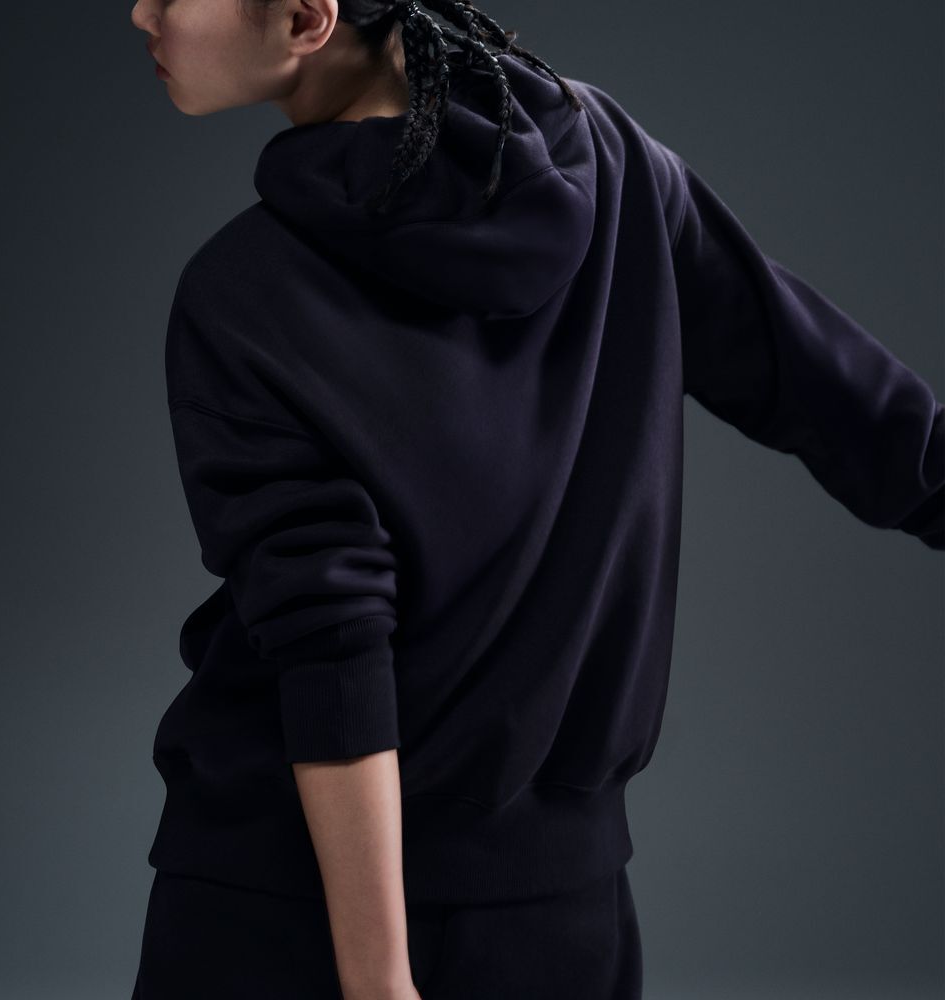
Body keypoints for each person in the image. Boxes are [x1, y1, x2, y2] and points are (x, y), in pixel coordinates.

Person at [128, 1, 945, 998]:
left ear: (306, 16)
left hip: (283, 913)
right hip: (559, 917)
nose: (142, 12)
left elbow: (332, 646)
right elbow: (847, 401)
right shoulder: (612, 168)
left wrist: (379, 982)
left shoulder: (243, 290)